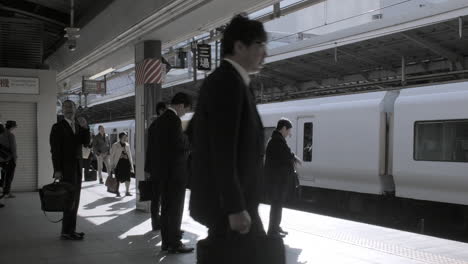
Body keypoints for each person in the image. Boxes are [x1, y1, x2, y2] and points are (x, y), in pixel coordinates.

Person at [189, 14, 268, 245]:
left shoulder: (236, 82)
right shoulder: (227, 83)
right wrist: (235, 207)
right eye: (260, 45)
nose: (265, 53)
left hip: (234, 203)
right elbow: (222, 150)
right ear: (239, 46)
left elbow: (194, 132)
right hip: (229, 207)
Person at [147, 92, 193, 253]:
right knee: (175, 208)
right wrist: (189, 140)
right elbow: (180, 145)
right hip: (175, 174)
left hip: (163, 174)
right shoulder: (173, 121)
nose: (185, 113)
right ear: (180, 105)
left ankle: (166, 242)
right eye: (185, 110)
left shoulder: (157, 122)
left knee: (166, 208)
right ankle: (174, 242)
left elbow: (152, 148)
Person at [50, 100, 90, 240]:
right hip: (66, 169)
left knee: (75, 199)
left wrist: (85, 127)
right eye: (66, 107)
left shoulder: (79, 126)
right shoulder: (57, 127)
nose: (69, 109)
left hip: (78, 168)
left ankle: (70, 230)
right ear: (62, 110)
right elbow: (55, 151)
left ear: (75, 109)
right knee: (69, 200)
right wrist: (57, 169)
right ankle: (67, 231)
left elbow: (86, 143)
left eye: (71, 107)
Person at [264, 118, 301, 237]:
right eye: (289, 130)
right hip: (276, 182)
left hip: (276, 181)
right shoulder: (277, 140)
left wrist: (293, 157)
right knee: (276, 205)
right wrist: (294, 158)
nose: (289, 134)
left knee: (277, 205)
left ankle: (276, 227)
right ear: (284, 128)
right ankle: (272, 231)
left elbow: (286, 153)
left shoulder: (276, 139)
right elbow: (286, 155)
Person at [145, 101, 167, 231]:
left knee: (156, 197)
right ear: (160, 111)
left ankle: (155, 222)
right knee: (160, 197)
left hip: (154, 167)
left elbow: (149, 149)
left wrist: (147, 168)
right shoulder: (161, 126)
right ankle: (159, 221)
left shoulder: (153, 126)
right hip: (161, 168)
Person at [110, 132, 134, 197]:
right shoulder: (115, 145)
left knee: (128, 178)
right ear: (120, 138)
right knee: (118, 178)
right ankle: (117, 191)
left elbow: (130, 155)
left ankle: (127, 191)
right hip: (118, 164)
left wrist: (131, 165)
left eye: (126, 137)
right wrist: (112, 165)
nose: (125, 138)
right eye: (124, 137)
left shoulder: (127, 145)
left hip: (126, 163)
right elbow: (112, 156)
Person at [0, 120, 18, 198]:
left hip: (1, 159)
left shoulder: (0, 134)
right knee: (9, 176)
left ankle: (4, 192)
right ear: (12, 127)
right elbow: (13, 149)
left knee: (3, 176)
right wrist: (15, 159)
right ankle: (7, 193)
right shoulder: (10, 135)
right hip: (8, 159)